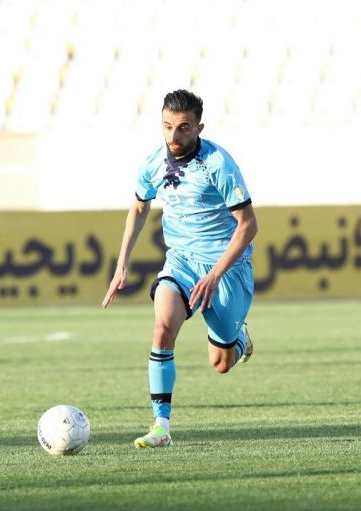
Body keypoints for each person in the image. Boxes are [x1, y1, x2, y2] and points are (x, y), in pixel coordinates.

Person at [102, 89, 259, 446]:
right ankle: (161, 426)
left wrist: (215, 274)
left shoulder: (219, 164)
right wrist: (122, 262)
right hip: (181, 261)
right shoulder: (153, 163)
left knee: (220, 363)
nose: (174, 135)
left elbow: (249, 225)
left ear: (199, 128)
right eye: (167, 126)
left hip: (225, 268)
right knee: (162, 328)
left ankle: (240, 339)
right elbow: (139, 206)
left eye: (184, 127)